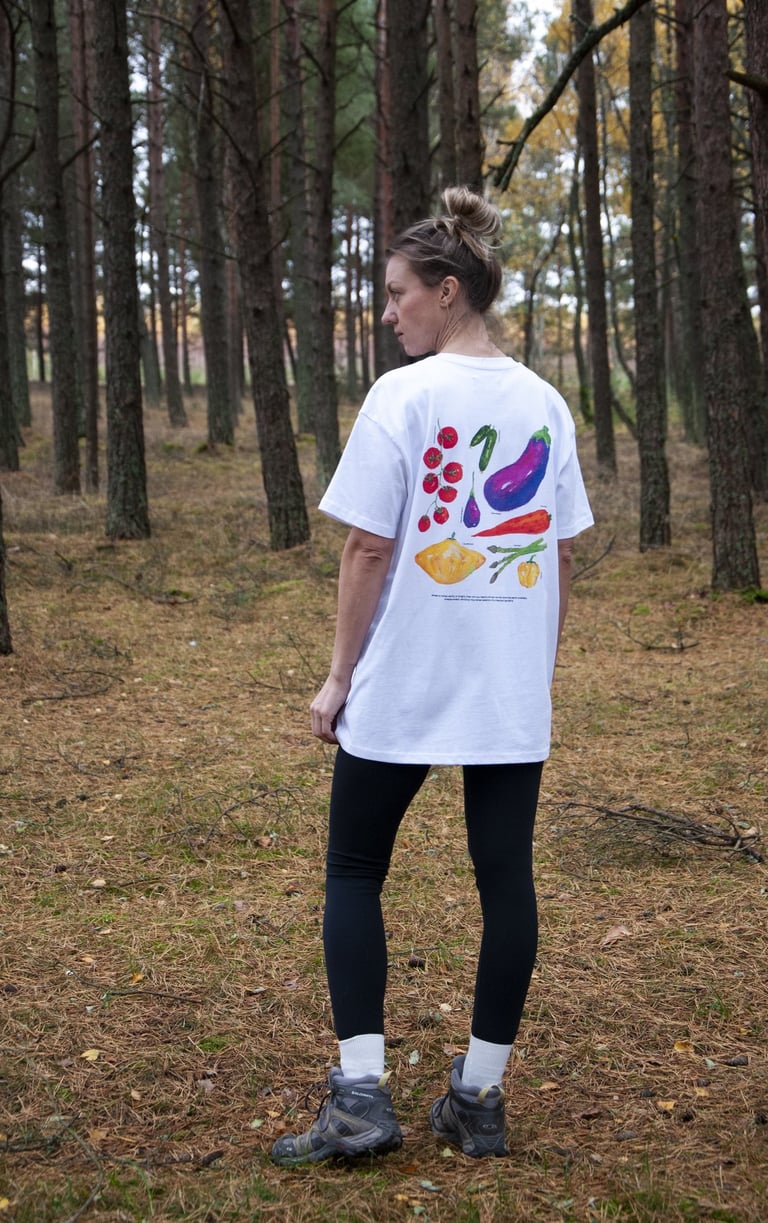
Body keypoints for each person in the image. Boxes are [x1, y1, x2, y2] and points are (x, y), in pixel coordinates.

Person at [270, 186, 594, 1167]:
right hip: (506, 695)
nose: (388, 310)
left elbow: (370, 546)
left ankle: (362, 1097)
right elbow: (563, 555)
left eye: (397, 292)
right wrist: (529, 669)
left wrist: (336, 679)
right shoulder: (545, 403)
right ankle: (480, 1099)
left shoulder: (402, 398)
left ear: (446, 292)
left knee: (354, 870)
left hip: (403, 684)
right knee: (507, 881)